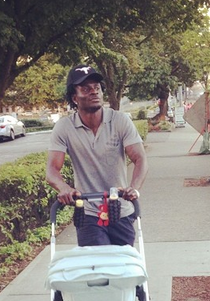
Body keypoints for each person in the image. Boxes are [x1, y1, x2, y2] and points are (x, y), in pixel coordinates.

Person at [46, 64, 148, 247]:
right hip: (89, 214)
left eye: (97, 87)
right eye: (86, 89)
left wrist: (134, 188)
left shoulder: (120, 121)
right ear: (74, 98)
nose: (94, 92)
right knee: (97, 262)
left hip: (121, 210)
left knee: (123, 262)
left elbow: (140, 159)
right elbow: (52, 170)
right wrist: (64, 188)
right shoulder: (64, 128)